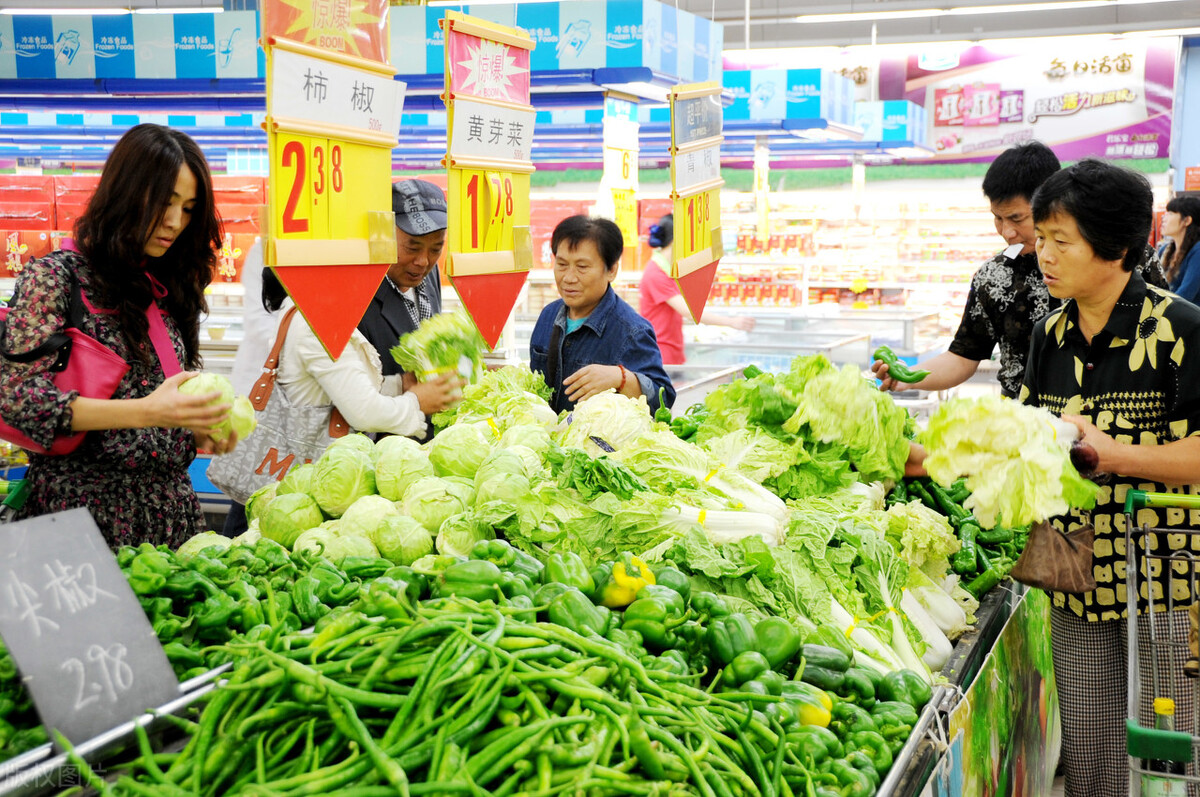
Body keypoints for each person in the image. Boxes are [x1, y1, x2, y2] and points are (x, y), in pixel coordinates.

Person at [1020, 160, 1200, 797]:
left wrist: (1116, 455)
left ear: (1118, 246)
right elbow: (1033, 440)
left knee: (1166, 756)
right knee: (1091, 754)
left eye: (1061, 240)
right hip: (1076, 574)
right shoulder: (1050, 335)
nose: (1044, 253)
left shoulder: (1180, 329)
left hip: (1165, 574)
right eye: (1040, 238)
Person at [0, 124, 237, 549]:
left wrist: (197, 429)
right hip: (79, 521)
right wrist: (146, 412)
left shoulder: (167, 287)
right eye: (164, 203)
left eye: (188, 208)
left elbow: (163, 407)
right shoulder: (57, 277)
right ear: (125, 192)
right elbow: (15, 398)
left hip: (172, 518)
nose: (174, 222)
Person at [872, 140, 1166, 397]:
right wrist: (908, 378)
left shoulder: (1121, 256)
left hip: (1115, 419)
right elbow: (963, 356)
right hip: (1022, 424)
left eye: (1016, 218)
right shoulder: (994, 276)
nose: (1006, 232)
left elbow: (1165, 329)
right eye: (997, 218)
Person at [220, 268, 462, 536]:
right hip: (302, 493)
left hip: (296, 494)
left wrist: (398, 385)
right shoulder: (316, 322)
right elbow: (363, 411)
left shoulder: (308, 309)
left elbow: (337, 387)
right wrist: (416, 401)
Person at [530, 216, 675, 415]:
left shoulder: (631, 331)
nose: (569, 278)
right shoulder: (548, 316)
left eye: (582, 267)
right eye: (562, 264)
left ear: (612, 271)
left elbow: (663, 400)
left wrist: (621, 378)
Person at [358, 179, 447, 381]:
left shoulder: (429, 274)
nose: (423, 261)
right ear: (384, 236)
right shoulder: (361, 295)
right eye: (412, 248)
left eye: (436, 249)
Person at [638, 213, 755, 365]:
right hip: (661, 355)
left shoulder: (667, 269)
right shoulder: (656, 274)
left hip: (670, 351)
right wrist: (731, 322)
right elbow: (688, 312)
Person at [1159, 195, 1200, 304]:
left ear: (1187, 220)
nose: (1164, 217)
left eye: (1170, 214)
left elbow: (1185, 295)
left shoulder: (1197, 252)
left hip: (1190, 318)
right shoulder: (1164, 250)